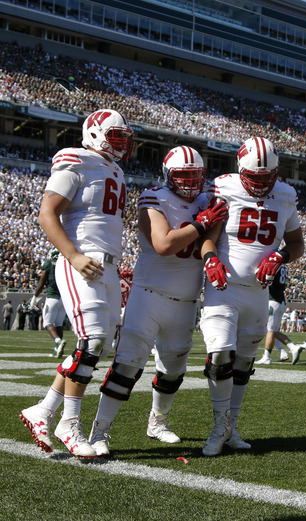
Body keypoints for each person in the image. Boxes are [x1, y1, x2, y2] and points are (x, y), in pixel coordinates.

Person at [87, 146, 229, 458]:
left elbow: (211, 240)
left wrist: (209, 223)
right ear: (168, 175)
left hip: (187, 299)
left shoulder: (209, 202)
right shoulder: (155, 197)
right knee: (127, 364)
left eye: (196, 176)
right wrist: (201, 223)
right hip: (148, 295)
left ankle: (157, 421)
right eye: (183, 176)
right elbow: (164, 244)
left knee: (173, 371)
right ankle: (100, 430)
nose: (191, 182)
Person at [19, 108, 136, 459]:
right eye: (115, 137)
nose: (120, 145)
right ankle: (69, 423)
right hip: (82, 260)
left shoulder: (114, 169)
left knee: (97, 345)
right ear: (95, 133)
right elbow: (46, 213)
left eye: (123, 139)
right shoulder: (77, 160)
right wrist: (73, 256)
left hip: (106, 264)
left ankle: (43, 411)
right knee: (93, 340)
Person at [199, 137, 304, 457]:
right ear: (241, 170)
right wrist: (210, 259)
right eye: (254, 179)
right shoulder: (224, 188)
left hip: (258, 294)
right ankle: (220, 425)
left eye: (266, 178)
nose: (260, 185)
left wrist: (280, 257)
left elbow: (297, 245)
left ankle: (231, 428)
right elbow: (208, 240)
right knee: (219, 355)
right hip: (224, 290)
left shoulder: (285, 195)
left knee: (244, 364)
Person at [254, 265, 303, 365]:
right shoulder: (283, 267)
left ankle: (268, 356)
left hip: (273, 301)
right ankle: (283, 352)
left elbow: (261, 279)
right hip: (281, 301)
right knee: (273, 331)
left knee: (270, 331)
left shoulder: (273, 265)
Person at [31, 248, 68, 357]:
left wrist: (35, 297)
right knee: (59, 324)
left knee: (47, 323)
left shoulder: (48, 263)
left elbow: (41, 282)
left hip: (52, 297)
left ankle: (58, 342)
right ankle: (58, 349)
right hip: (63, 299)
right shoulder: (65, 263)